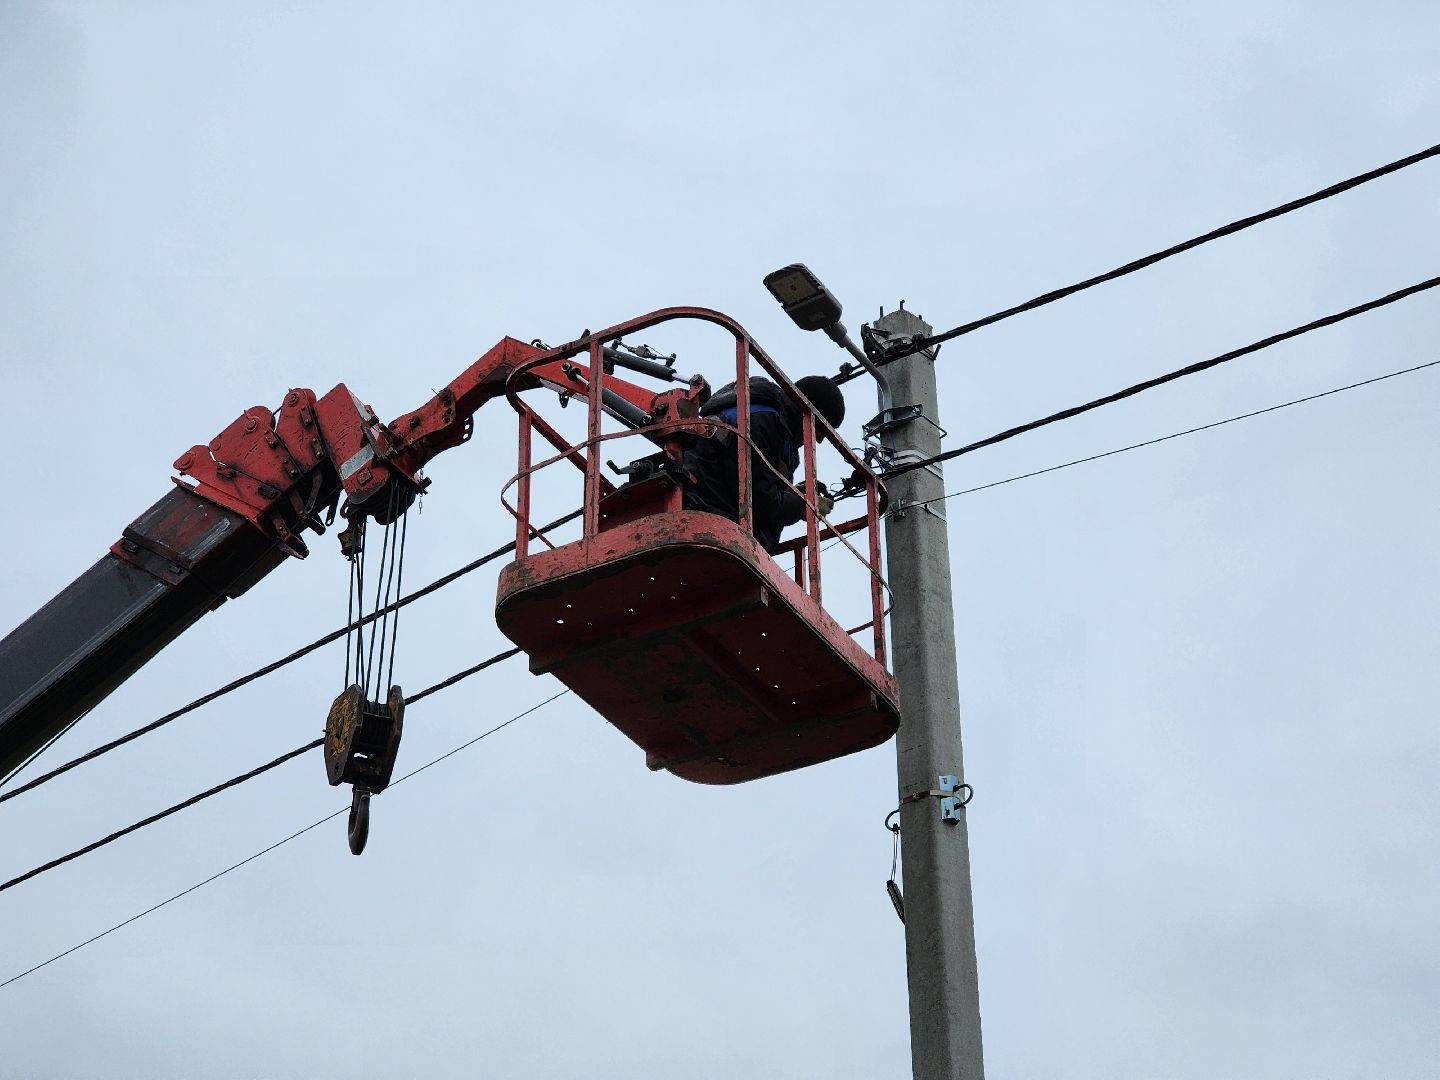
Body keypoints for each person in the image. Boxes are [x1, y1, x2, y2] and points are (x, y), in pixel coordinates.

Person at [683, 374, 846, 552]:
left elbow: (754, 483)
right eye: (821, 431)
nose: (819, 441)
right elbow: (761, 501)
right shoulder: (763, 420)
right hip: (712, 513)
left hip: (712, 504)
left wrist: (793, 494)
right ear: (805, 413)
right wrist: (804, 506)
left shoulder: (774, 425)